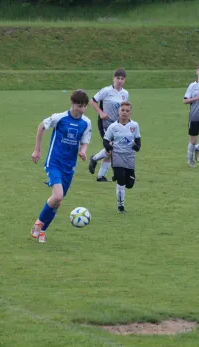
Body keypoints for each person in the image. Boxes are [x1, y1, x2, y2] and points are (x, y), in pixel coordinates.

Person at [30, 89, 92, 243]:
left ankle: (42, 231)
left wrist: (83, 151)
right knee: (57, 196)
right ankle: (37, 225)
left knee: (58, 201)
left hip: (69, 166)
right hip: (54, 162)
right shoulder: (60, 118)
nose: (81, 109)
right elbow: (41, 126)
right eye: (79, 106)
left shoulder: (86, 122)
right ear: (72, 103)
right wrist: (37, 150)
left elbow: (85, 141)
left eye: (84, 106)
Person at [88, 69, 129, 182]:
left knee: (110, 151)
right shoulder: (106, 91)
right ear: (113, 78)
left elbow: (124, 109)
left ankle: (100, 176)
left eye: (122, 78)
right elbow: (92, 101)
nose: (120, 81)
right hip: (105, 123)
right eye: (118, 78)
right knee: (111, 148)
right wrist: (100, 113)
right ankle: (95, 159)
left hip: (118, 125)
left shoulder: (125, 93)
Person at [102, 101, 140, 214]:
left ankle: (117, 176)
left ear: (130, 113)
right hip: (117, 155)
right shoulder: (113, 127)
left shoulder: (134, 125)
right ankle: (120, 206)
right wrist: (109, 147)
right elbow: (105, 140)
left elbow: (138, 141)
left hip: (129, 157)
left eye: (127, 111)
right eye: (122, 110)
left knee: (129, 184)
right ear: (118, 111)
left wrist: (137, 147)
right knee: (121, 180)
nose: (124, 113)